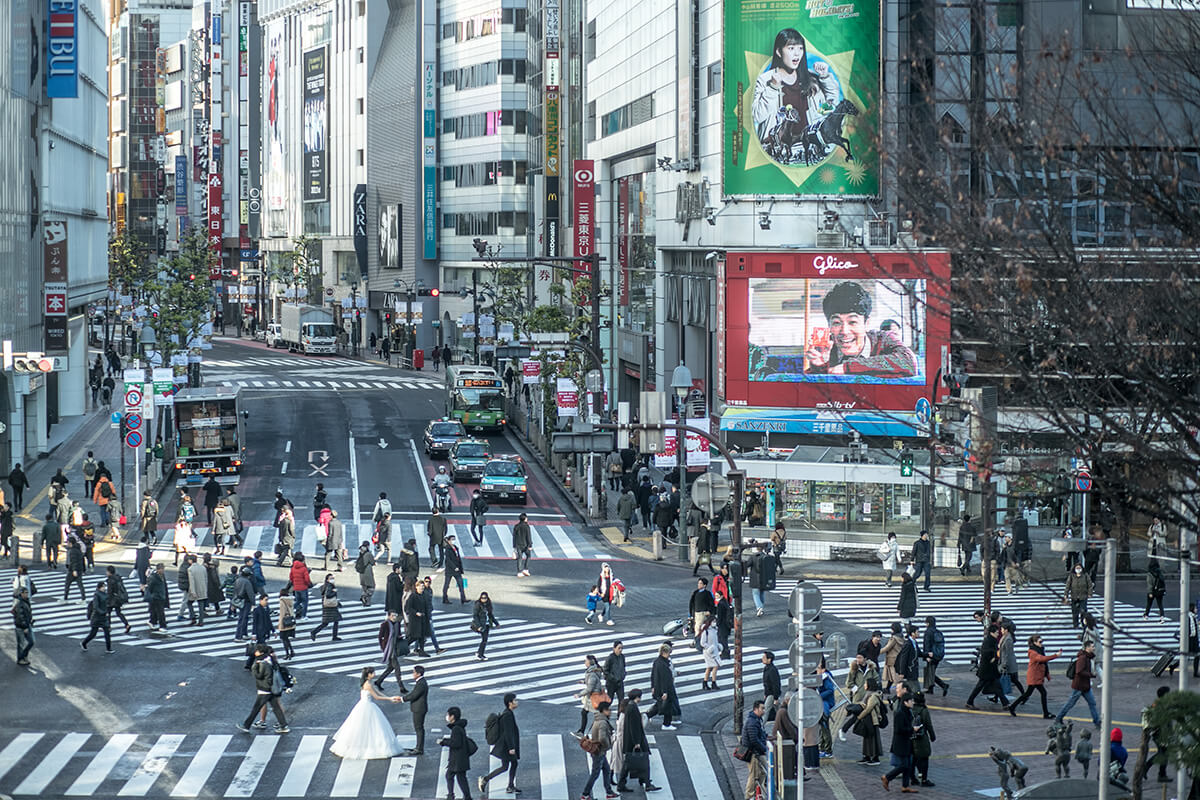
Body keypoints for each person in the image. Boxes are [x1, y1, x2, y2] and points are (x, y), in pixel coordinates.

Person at [797, 281, 918, 378]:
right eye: (836, 323)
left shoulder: (884, 339)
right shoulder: (826, 347)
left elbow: (908, 362)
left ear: (867, 323)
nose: (844, 331)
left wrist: (847, 367)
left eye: (853, 322)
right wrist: (819, 367)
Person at [328, 666, 403, 758]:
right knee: (370, 727)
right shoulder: (368, 685)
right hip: (367, 706)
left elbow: (378, 692)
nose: (374, 674)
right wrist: (389, 699)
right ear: (368, 675)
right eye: (373, 673)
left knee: (362, 727)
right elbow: (376, 697)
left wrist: (390, 698)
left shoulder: (368, 683)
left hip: (364, 706)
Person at [236, 645, 289, 734]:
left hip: (265, 689)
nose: (255, 652)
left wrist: (254, 667)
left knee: (256, 708)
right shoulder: (270, 659)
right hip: (271, 689)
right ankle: (284, 726)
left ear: (261, 652)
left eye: (256, 651)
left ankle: (246, 725)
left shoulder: (263, 663)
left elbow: (259, 676)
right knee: (276, 708)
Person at [1008, 634, 1060, 718]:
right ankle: (1045, 713)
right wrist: (1056, 655)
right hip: (1034, 676)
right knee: (1041, 693)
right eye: (1040, 642)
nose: (1041, 644)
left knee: (1028, 694)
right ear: (1035, 642)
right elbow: (1042, 659)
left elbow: (1044, 662)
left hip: (1036, 676)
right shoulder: (1033, 652)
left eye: (1042, 642)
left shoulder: (1039, 650)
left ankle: (1012, 707)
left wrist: (1047, 674)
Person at [479, 693, 521, 795]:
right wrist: (511, 747)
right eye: (515, 700)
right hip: (506, 746)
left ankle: (510, 786)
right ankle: (485, 779)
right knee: (506, 766)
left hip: (505, 745)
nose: (517, 702)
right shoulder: (507, 715)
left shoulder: (508, 713)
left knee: (509, 765)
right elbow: (508, 732)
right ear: (510, 703)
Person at [1055, 640, 1101, 728]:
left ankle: (1097, 721)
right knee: (1070, 703)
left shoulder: (1087, 657)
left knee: (1092, 703)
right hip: (1080, 686)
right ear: (1087, 648)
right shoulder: (1083, 658)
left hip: (1085, 686)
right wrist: (1091, 675)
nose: (1094, 648)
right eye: (1092, 646)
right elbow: (1079, 671)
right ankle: (1059, 718)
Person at [880, 693, 919, 792]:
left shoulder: (908, 711)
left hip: (907, 742)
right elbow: (899, 729)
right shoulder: (900, 713)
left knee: (908, 765)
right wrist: (912, 729)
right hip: (901, 743)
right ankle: (887, 777)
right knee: (904, 765)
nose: (913, 702)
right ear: (906, 702)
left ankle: (905, 786)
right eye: (911, 701)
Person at [966, 624, 1009, 709]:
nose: (998, 633)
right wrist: (994, 657)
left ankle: (1005, 703)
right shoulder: (989, 641)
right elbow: (986, 652)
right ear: (992, 633)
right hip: (987, 669)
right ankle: (969, 701)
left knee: (997, 686)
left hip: (990, 669)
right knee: (981, 686)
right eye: (997, 632)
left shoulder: (992, 640)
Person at [581, 700, 617, 800]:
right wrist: (607, 746)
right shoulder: (603, 723)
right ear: (604, 710)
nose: (610, 712)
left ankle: (609, 792)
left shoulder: (597, 719)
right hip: (599, 751)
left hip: (598, 751)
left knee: (606, 770)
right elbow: (602, 738)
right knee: (595, 774)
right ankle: (585, 794)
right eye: (609, 710)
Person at [438, 706, 473, 800]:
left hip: (457, 759)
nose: (447, 717)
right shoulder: (459, 726)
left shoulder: (456, 729)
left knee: (455, 777)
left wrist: (443, 742)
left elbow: (456, 743)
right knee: (456, 777)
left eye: (448, 715)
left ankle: (453, 795)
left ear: (452, 716)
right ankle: (462, 796)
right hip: (460, 758)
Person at [647, 643, 681, 730]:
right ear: (664, 653)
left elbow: (653, 675)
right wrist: (665, 692)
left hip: (658, 687)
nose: (669, 655)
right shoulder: (663, 665)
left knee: (660, 705)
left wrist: (653, 687)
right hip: (665, 689)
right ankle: (666, 724)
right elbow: (665, 679)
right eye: (668, 653)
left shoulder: (657, 662)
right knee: (666, 705)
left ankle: (647, 715)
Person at [741, 700, 769, 800]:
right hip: (753, 752)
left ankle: (756, 792)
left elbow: (758, 735)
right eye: (762, 708)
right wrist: (764, 748)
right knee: (754, 775)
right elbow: (754, 740)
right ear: (756, 709)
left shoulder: (756, 720)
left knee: (760, 772)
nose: (764, 710)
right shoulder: (753, 722)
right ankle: (749, 796)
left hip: (755, 751)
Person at [400, 665, 429, 755]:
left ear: (418, 674)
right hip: (419, 708)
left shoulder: (421, 684)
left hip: (419, 709)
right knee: (419, 728)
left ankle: (419, 748)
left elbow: (413, 695)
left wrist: (402, 699)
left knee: (419, 728)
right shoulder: (421, 682)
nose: (413, 674)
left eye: (414, 672)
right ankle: (418, 747)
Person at [910, 691, 936, 787]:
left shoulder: (910, 709)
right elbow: (928, 725)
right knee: (924, 758)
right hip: (921, 737)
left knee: (913, 758)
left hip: (911, 736)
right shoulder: (924, 710)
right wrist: (932, 736)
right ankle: (924, 780)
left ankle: (912, 778)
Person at [576, 654, 605, 738]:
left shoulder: (591, 673)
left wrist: (579, 694)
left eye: (586, 661)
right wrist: (584, 682)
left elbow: (589, 688)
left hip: (593, 698)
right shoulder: (593, 671)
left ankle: (608, 731)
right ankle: (581, 731)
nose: (585, 662)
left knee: (598, 716)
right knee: (586, 713)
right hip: (593, 697)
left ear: (589, 662)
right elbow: (592, 682)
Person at [80, 580, 114, 653]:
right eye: (103, 587)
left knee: (107, 632)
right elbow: (96, 607)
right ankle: (84, 643)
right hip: (97, 617)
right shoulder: (97, 595)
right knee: (93, 633)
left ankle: (108, 648)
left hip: (103, 617)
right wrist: (103, 612)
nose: (104, 588)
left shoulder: (104, 594)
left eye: (104, 587)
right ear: (99, 588)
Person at [310, 574, 343, 642]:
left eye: (333, 578)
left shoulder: (324, 586)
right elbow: (328, 595)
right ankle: (314, 632)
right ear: (327, 579)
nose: (332, 579)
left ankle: (333, 636)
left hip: (326, 606)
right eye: (331, 578)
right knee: (331, 622)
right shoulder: (330, 586)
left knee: (328, 622)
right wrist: (334, 592)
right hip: (330, 607)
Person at [472, 592, 499, 661]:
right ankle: (480, 654)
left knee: (485, 640)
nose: (483, 599)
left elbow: (490, 615)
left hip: (487, 624)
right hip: (481, 625)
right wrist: (478, 626)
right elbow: (475, 615)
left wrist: (496, 623)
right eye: (482, 598)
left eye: (485, 598)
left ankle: (479, 653)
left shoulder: (488, 605)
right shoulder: (478, 604)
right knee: (484, 640)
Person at [1065, 563, 1093, 629]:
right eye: (1077, 568)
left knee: (1083, 611)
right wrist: (1066, 595)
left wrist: (1090, 593)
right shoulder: (1072, 576)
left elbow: (1090, 585)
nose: (1078, 569)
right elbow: (1067, 586)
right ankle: (1075, 624)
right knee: (1075, 612)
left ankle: (1083, 624)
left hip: (1083, 597)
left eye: (1079, 568)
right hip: (1074, 597)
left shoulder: (1085, 575)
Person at [406, 580, 429, 657]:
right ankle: (402, 647)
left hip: (423, 618)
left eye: (423, 586)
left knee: (422, 636)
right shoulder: (413, 596)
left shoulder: (424, 595)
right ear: (416, 587)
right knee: (413, 636)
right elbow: (408, 607)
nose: (422, 588)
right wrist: (416, 613)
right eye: (420, 586)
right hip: (415, 620)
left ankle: (422, 651)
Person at [11, 586, 34, 665]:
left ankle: (23, 656)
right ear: (21, 594)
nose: (27, 594)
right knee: (22, 644)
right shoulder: (20, 603)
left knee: (31, 642)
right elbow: (20, 616)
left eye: (27, 592)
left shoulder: (25, 601)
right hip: (21, 627)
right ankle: (21, 658)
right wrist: (25, 627)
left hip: (27, 625)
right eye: (26, 593)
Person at [699, 614, 722, 691]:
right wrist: (709, 647)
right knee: (715, 666)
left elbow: (715, 640)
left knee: (709, 667)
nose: (715, 623)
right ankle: (713, 682)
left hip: (714, 650)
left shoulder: (715, 630)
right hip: (708, 652)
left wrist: (718, 646)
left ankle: (705, 682)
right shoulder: (706, 631)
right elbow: (702, 643)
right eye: (713, 621)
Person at [443, 535, 468, 604]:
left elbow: (458, 558)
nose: (453, 541)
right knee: (447, 585)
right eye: (452, 539)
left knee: (461, 584)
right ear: (448, 541)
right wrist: (454, 567)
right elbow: (448, 560)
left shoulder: (456, 548)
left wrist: (460, 567)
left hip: (457, 569)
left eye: (454, 539)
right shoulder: (447, 549)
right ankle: (445, 598)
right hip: (450, 570)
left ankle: (463, 598)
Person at [880, 622, 905, 691]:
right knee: (892, 675)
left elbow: (887, 648)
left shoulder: (894, 639)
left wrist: (877, 652)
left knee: (894, 676)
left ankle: (900, 689)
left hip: (892, 659)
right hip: (898, 658)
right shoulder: (901, 637)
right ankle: (887, 688)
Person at [146, 563, 170, 632]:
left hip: (161, 596)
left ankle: (152, 621)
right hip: (156, 596)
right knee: (160, 612)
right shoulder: (153, 577)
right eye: (161, 569)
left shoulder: (162, 576)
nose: (163, 570)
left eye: (163, 569)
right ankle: (162, 625)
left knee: (155, 611)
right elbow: (150, 587)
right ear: (158, 569)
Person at [277, 587, 297, 660]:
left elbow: (282, 614)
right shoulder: (290, 600)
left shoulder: (282, 601)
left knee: (284, 639)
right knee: (287, 639)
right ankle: (292, 651)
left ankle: (287, 653)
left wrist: (280, 624)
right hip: (290, 622)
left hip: (284, 623)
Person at [762, 650, 783, 718]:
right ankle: (786, 723)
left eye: (764, 658)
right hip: (770, 694)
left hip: (772, 694)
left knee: (765, 711)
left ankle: (760, 726)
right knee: (779, 710)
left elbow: (776, 684)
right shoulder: (767, 668)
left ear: (769, 659)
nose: (762, 659)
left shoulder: (772, 670)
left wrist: (775, 697)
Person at [512, 513, 532, 577]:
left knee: (519, 558)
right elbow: (528, 536)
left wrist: (514, 545)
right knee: (528, 556)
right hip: (525, 545)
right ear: (525, 519)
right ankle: (526, 569)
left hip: (518, 545)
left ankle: (519, 571)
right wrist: (530, 545)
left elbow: (514, 536)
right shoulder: (527, 526)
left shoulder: (516, 526)